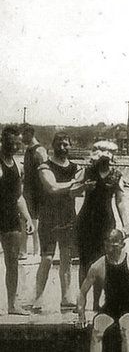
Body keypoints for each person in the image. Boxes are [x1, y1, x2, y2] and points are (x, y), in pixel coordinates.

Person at [77, 229, 129, 352]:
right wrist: (81, 314)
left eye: (114, 246)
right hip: (110, 308)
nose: (110, 250)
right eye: (107, 246)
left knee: (125, 328)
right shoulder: (98, 266)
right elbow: (82, 292)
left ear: (122, 245)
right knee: (97, 331)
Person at [33, 132, 84, 312]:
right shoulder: (44, 166)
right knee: (46, 259)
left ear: (70, 146)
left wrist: (74, 186)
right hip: (48, 218)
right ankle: (38, 298)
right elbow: (52, 187)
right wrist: (73, 184)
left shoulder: (76, 167)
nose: (62, 147)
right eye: (59, 144)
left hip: (68, 217)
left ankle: (66, 298)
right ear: (53, 146)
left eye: (66, 144)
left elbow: (79, 192)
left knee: (66, 260)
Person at [76, 141, 129, 312]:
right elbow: (73, 191)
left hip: (106, 222)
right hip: (86, 221)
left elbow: (120, 202)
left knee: (102, 263)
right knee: (84, 263)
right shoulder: (86, 172)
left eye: (108, 155)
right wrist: (83, 186)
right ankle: (82, 300)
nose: (104, 159)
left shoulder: (116, 175)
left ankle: (96, 302)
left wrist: (126, 225)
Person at [0, 126, 35, 315]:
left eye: (17, 143)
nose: (14, 146)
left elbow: (19, 197)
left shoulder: (17, 164)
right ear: (2, 140)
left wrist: (28, 217)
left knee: (12, 262)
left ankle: (12, 304)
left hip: (10, 218)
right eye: (10, 142)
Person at [21, 123, 47, 257]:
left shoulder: (40, 150)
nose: (21, 137)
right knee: (25, 220)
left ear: (30, 134)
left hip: (38, 191)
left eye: (23, 134)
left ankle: (37, 252)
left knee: (36, 222)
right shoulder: (27, 150)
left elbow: (47, 170)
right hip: (27, 190)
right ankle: (23, 251)